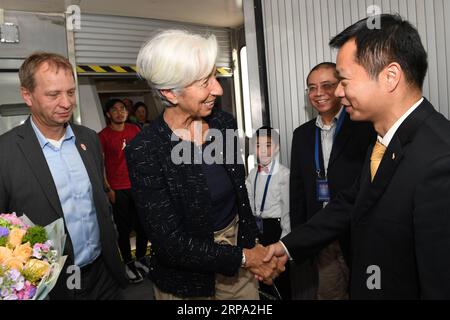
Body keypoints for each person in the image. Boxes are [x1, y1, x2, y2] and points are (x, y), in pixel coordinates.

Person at [264, 13, 450, 299]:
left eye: (344, 80)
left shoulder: (439, 159)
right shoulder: (383, 142)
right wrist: (286, 247)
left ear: (390, 77)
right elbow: (351, 203)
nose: (338, 91)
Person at [125, 29, 281, 300]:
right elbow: (171, 245)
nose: (218, 89)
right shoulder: (146, 150)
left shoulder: (224, 123)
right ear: (170, 93)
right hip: (187, 281)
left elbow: (239, 195)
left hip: (238, 267)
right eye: (204, 82)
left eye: (215, 76)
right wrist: (246, 258)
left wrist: (253, 247)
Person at [0, 52, 127, 299]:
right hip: (51, 286)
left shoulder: (89, 139)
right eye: (53, 94)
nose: (66, 102)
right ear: (27, 95)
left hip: (103, 275)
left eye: (70, 92)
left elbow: (99, 202)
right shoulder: (5, 151)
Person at [289, 62, 375, 299]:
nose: (318, 93)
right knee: (329, 292)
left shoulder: (364, 127)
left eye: (327, 85)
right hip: (321, 234)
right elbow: (297, 190)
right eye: (312, 88)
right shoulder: (302, 135)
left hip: (358, 230)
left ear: (340, 88)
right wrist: (301, 237)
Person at [99, 98, 150, 284]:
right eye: (115, 110)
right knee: (124, 229)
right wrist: (108, 188)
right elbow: (100, 165)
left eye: (122, 109)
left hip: (138, 186)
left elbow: (143, 157)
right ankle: (128, 263)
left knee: (143, 226)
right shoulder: (103, 136)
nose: (120, 112)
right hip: (118, 190)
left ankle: (142, 257)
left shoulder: (134, 130)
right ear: (108, 114)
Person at [246, 126, 291, 299]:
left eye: (268, 145)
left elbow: (287, 212)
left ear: (277, 147)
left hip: (276, 230)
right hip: (258, 230)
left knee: (279, 279)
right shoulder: (252, 174)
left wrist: (285, 244)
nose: (263, 150)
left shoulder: (284, 175)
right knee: (259, 280)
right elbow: (248, 205)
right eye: (258, 145)